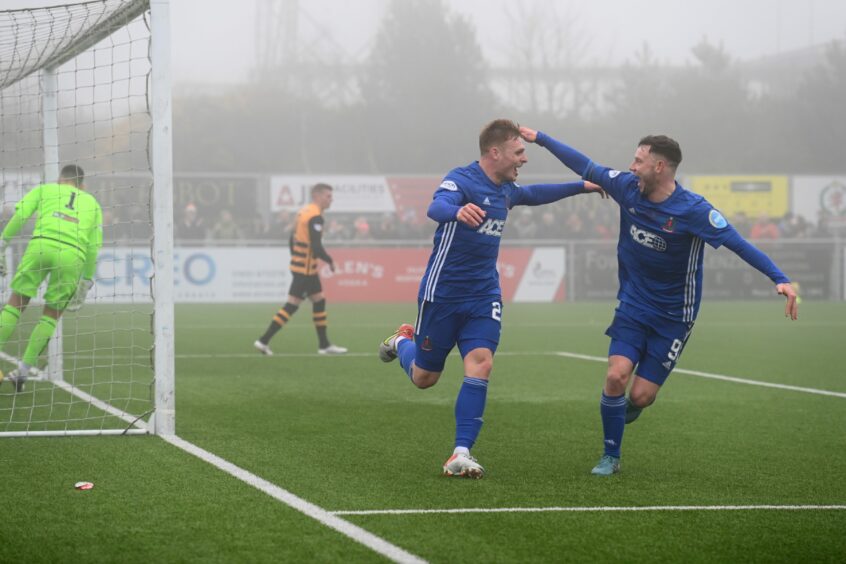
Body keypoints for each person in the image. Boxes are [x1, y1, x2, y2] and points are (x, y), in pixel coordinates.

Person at [519, 126, 798, 476]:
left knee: (640, 397)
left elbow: (738, 243)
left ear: (660, 167)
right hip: (633, 304)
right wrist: (541, 139)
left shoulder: (694, 210)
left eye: (639, 161)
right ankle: (611, 455)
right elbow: (585, 165)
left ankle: (627, 409)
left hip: (674, 317)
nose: (632, 166)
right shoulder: (625, 186)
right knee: (616, 376)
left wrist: (780, 279)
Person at [377, 119, 605, 479]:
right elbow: (436, 207)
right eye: (519, 153)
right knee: (424, 378)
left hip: (484, 295)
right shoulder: (462, 179)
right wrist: (456, 211)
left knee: (481, 363)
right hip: (443, 294)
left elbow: (536, 194)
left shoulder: (507, 190)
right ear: (494, 153)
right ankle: (401, 340)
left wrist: (583, 186)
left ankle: (461, 452)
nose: (523, 160)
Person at [0, 164, 103, 392]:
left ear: (60, 179)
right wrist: (85, 281)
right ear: (82, 185)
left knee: (16, 304)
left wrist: (2, 243)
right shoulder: (92, 204)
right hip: (73, 255)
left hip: (41, 245)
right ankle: (23, 372)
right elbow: (94, 247)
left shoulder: (46, 189)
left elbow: (20, 216)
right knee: (51, 315)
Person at [254, 183, 347, 356]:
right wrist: (330, 261)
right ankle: (263, 340)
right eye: (328, 196)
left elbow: (292, 238)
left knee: (319, 300)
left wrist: (296, 256)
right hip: (304, 270)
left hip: (305, 268)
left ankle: (324, 345)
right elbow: (317, 247)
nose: (331, 199)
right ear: (317, 196)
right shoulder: (315, 216)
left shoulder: (303, 212)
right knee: (292, 305)